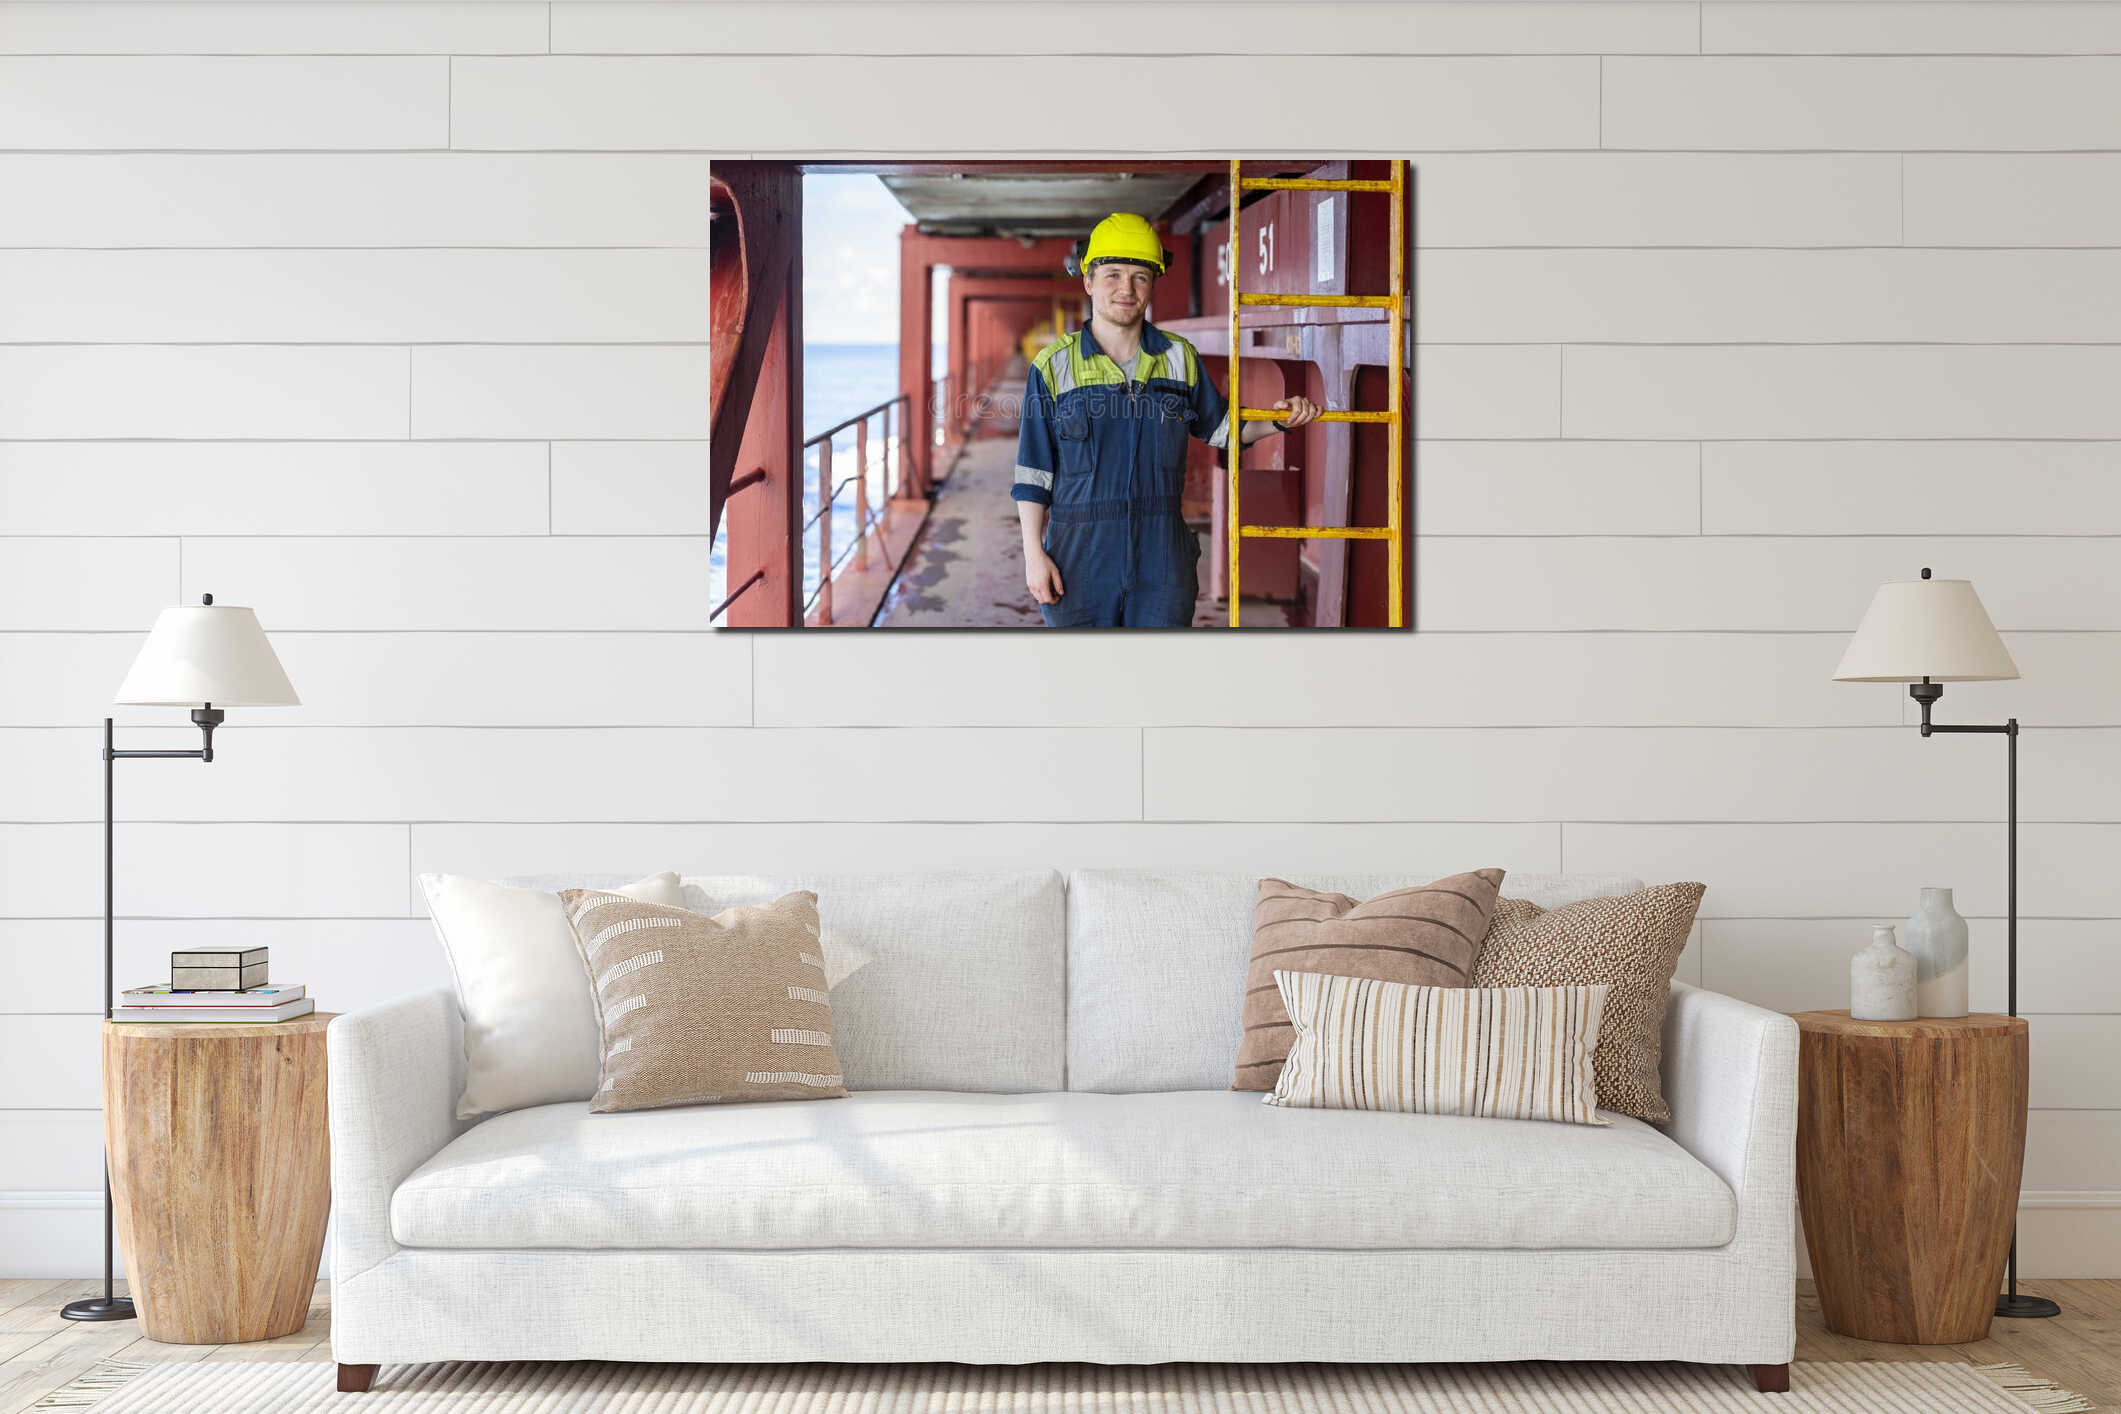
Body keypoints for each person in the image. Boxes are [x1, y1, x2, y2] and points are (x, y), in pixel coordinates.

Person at [1010, 212, 1319, 628]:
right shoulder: (1052, 366)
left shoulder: (1178, 357)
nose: (1126, 288)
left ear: (1153, 284)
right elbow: (1034, 472)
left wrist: (1279, 420)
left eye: (1140, 276)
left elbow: (1224, 429)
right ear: (1088, 281)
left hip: (1161, 559)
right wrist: (1034, 554)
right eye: (1113, 274)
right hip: (1078, 557)